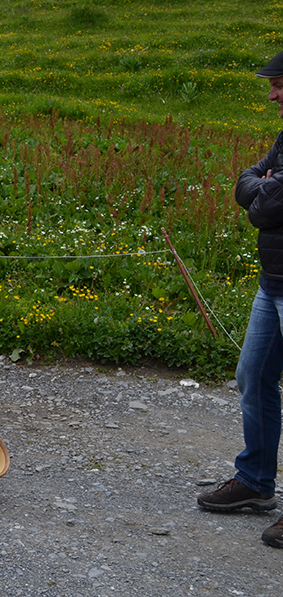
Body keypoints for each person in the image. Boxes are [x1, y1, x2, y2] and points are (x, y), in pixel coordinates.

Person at [196, 50, 283, 548]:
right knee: (253, 376)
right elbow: (248, 185)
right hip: (273, 283)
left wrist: (264, 191)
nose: (272, 95)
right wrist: (263, 187)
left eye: (279, 85)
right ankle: (255, 481)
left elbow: (265, 206)